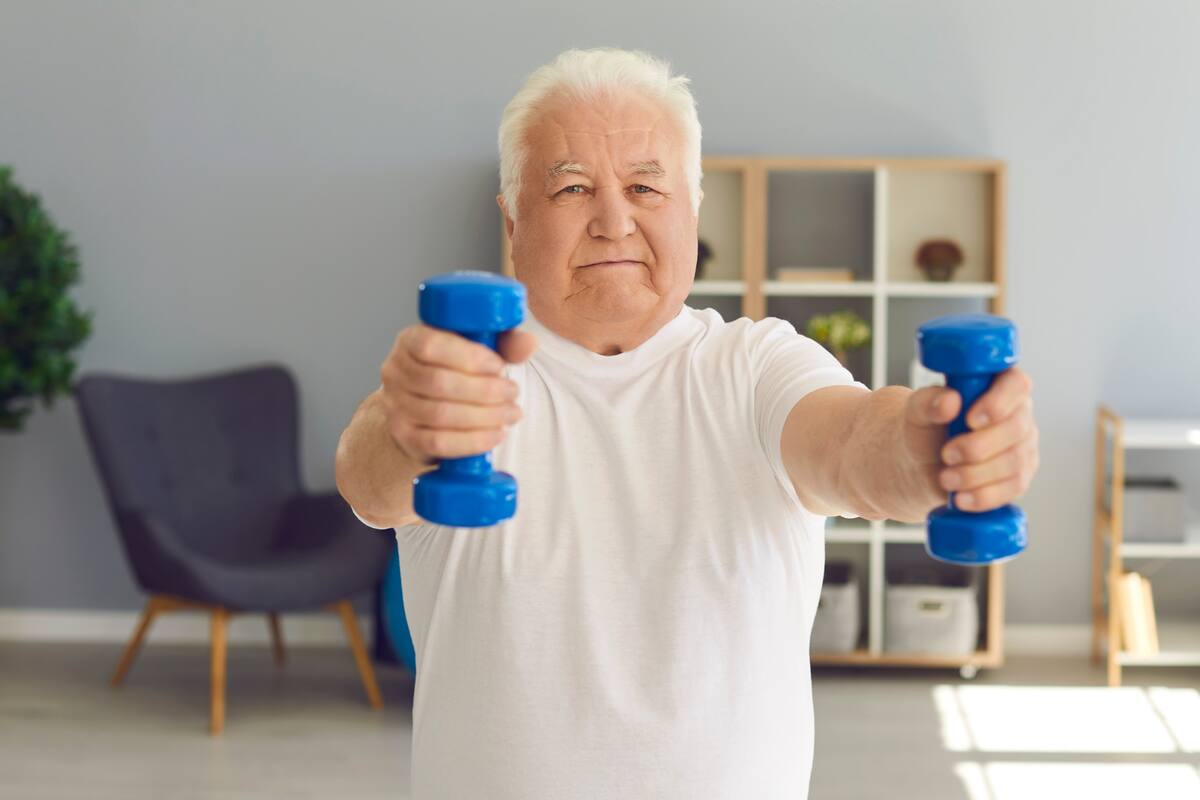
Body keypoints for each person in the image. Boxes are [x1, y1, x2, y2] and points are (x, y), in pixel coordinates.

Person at [335, 47, 1038, 799]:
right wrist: (411, 426)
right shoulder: (460, 380)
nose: (613, 221)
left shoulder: (756, 363)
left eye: (645, 186)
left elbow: (853, 444)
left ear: (693, 212)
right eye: (572, 188)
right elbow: (369, 480)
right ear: (513, 221)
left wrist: (932, 449)